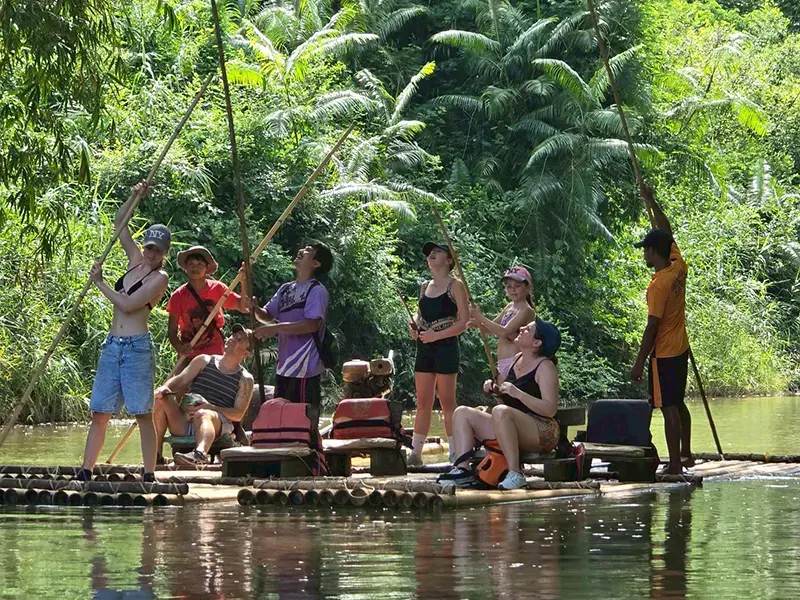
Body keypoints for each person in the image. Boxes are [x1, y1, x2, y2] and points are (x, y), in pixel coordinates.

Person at [77, 181, 170, 482]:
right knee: (100, 412)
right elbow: (120, 223)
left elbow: (129, 305)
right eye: (148, 247)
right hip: (112, 345)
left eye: (156, 250)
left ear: (163, 253)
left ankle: (149, 473)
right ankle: (86, 470)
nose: (150, 253)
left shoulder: (161, 277)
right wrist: (134, 197)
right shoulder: (134, 262)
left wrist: (100, 283)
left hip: (136, 348)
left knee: (142, 412)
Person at [439, 318, 561, 490]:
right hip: (510, 424)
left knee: (501, 412)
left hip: (542, 430)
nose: (523, 327)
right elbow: (504, 401)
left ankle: (515, 474)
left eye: (529, 328)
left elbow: (550, 409)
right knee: (461, 412)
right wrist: (494, 390)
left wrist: (518, 394)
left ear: (537, 342)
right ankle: (462, 469)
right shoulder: (516, 359)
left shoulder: (545, 367)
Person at [630, 184, 691, 475]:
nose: (643, 254)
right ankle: (687, 453)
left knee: (668, 406)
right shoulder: (679, 266)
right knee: (678, 402)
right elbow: (666, 230)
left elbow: (651, 326)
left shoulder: (658, 285)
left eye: (645, 250)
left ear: (653, 252)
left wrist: (640, 361)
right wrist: (650, 200)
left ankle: (675, 463)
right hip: (682, 346)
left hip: (665, 352)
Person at [153, 324, 255, 465]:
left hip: (217, 422)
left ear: (246, 354)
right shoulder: (203, 360)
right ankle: (156, 455)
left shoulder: (245, 379)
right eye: (234, 336)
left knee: (203, 413)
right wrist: (164, 388)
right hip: (186, 420)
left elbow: (238, 414)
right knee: (160, 399)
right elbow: (181, 379)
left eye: (240, 340)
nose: (233, 339)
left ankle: (199, 455)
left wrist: (211, 407)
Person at [407, 242, 469, 467]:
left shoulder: (456, 286)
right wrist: (413, 324)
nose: (432, 255)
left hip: (445, 347)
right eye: (430, 253)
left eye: (438, 252)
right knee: (423, 402)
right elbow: (419, 313)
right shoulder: (424, 286)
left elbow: (463, 322)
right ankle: (415, 454)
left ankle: (455, 452)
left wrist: (437, 336)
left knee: (447, 402)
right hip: (425, 345)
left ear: (450, 260)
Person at [252, 242, 333, 410]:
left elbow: (312, 325)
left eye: (308, 251)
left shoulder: (317, 291)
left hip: (305, 368)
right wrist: (253, 308)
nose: (301, 250)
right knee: (282, 418)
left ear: (315, 264)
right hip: (284, 368)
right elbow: (266, 316)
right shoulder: (286, 289)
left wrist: (276, 328)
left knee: (303, 420)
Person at [166, 246, 250, 364]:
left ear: (207, 268)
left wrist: (243, 280)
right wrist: (179, 348)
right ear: (186, 268)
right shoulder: (178, 296)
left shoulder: (218, 289)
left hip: (215, 355)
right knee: (176, 382)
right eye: (191, 264)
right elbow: (171, 330)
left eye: (200, 264)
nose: (195, 268)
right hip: (190, 356)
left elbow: (243, 307)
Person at [468, 266, 536, 377]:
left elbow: (504, 332)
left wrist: (479, 317)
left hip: (516, 363)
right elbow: (492, 328)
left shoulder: (527, 311)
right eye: (509, 286)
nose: (512, 290)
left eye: (517, 286)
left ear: (527, 288)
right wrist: (476, 324)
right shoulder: (509, 307)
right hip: (503, 363)